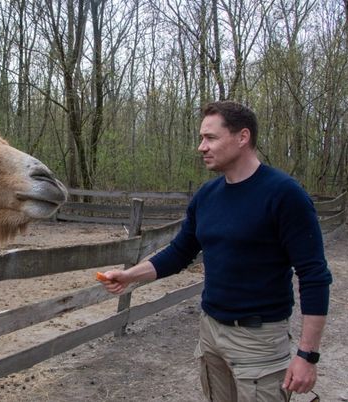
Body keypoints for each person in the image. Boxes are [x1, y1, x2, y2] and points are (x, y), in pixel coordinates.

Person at [99, 101, 332, 401]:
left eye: (210, 138)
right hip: (210, 332)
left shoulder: (285, 195)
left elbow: (314, 275)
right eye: (201, 138)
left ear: (242, 137)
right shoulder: (207, 196)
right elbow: (180, 252)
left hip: (259, 340)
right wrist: (130, 275)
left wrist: (307, 356)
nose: (201, 147)